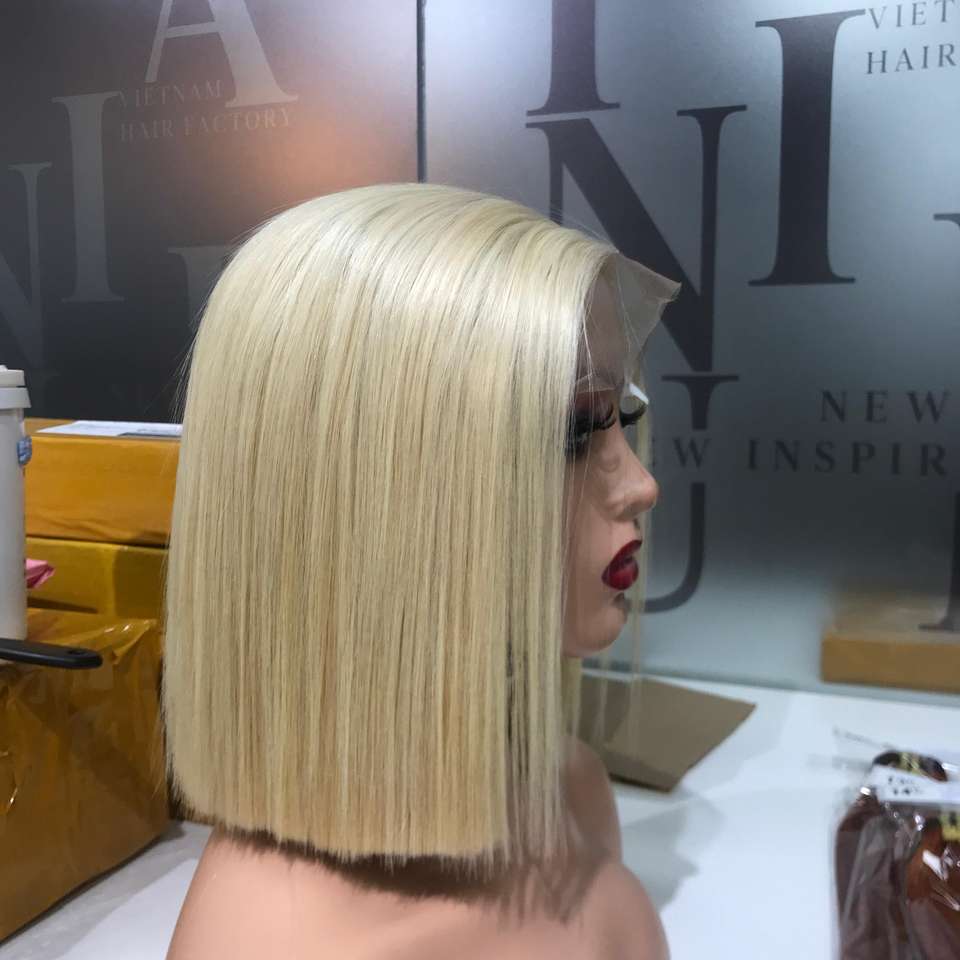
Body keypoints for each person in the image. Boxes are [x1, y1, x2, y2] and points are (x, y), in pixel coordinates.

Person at [162, 182, 679, 958]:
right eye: (574, 432)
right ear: (376, 501)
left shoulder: (569, 791)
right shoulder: (271, 942)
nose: (639, 484)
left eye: (622, 417)